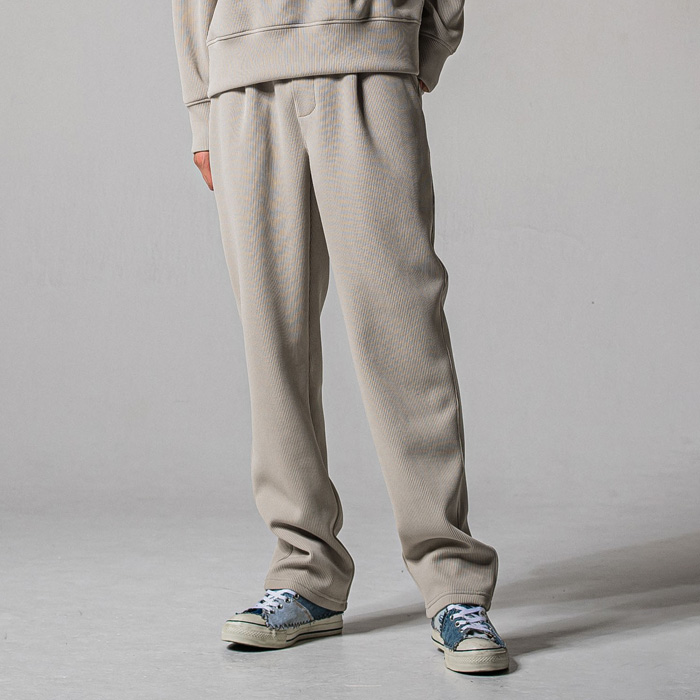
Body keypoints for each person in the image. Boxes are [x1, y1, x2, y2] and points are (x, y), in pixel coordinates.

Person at [171, 0, 509, 674]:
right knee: (273, 339)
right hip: (243, 77)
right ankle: (306, 574)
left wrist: (426, 43)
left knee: (404, 331)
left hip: (369, 56)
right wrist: (202, 106)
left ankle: (452, 581)